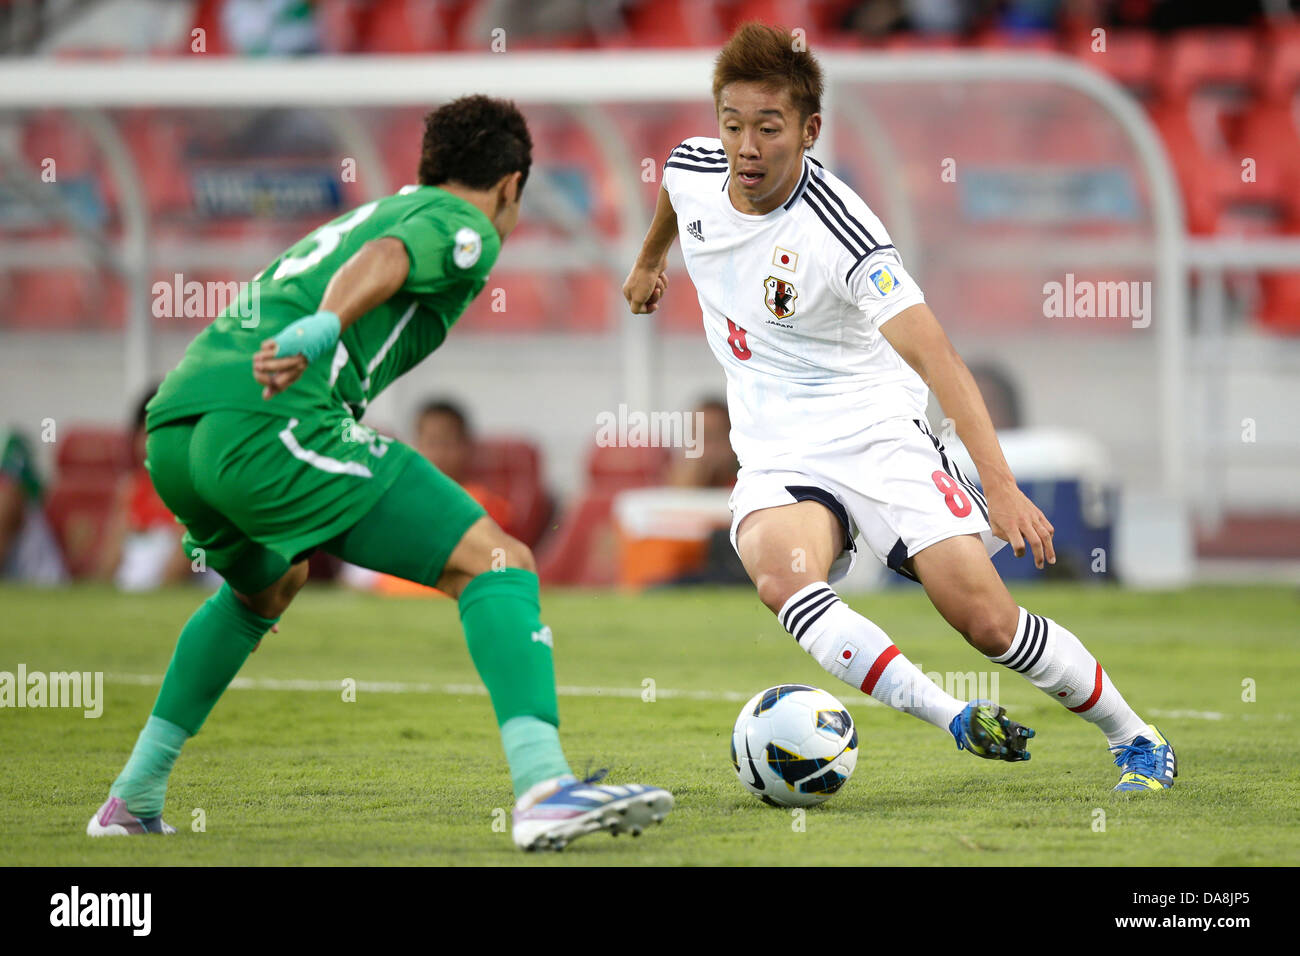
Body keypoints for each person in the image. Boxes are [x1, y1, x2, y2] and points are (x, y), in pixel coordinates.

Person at [87, 94, 672, 851]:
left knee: (266, 585)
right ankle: (543, 788)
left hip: (177, 427)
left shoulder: (386, 207)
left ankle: (132, 798)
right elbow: (386, 264)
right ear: (510, 187)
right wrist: (327, 325)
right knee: (498, 561)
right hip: (271, 417)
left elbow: (377, 249)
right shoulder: (464, 222)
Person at [622, 24, 1175, 793]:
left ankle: (1138, 737)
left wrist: (1001, 484)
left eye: (768, 128)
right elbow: (674, 202)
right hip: (778, 453)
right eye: (733, 124)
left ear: (809, 131)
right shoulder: (692, 168)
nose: (746, 146)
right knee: (783, 579)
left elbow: (940, 359)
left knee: (988, 622)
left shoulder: (843, 234)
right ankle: (952, 717)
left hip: (879, 436)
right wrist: (650, 263)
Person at [96, 387, 198, 591]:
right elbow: (105, 571)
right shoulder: (130, 489)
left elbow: (179, 570)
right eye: (147, 433)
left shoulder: (196, 490)